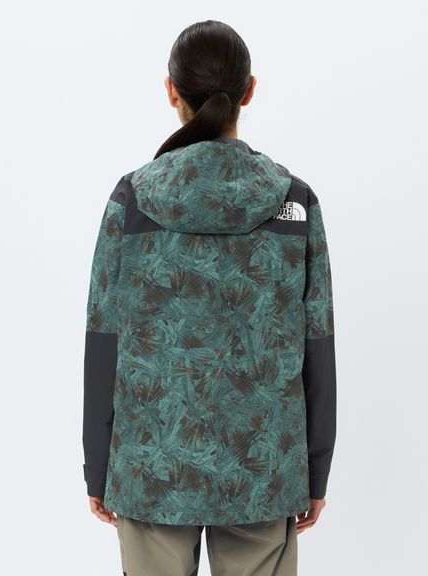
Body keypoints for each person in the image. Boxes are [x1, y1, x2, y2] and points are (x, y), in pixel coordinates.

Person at [82, 19, 337, 576]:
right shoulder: (294, 202)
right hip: (263, 472)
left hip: (152, 471)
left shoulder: (132, 200)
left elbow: (104, 340)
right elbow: (317, 345)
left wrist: (98, 466)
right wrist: (315, 472)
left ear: (171, 91)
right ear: (249, 91)